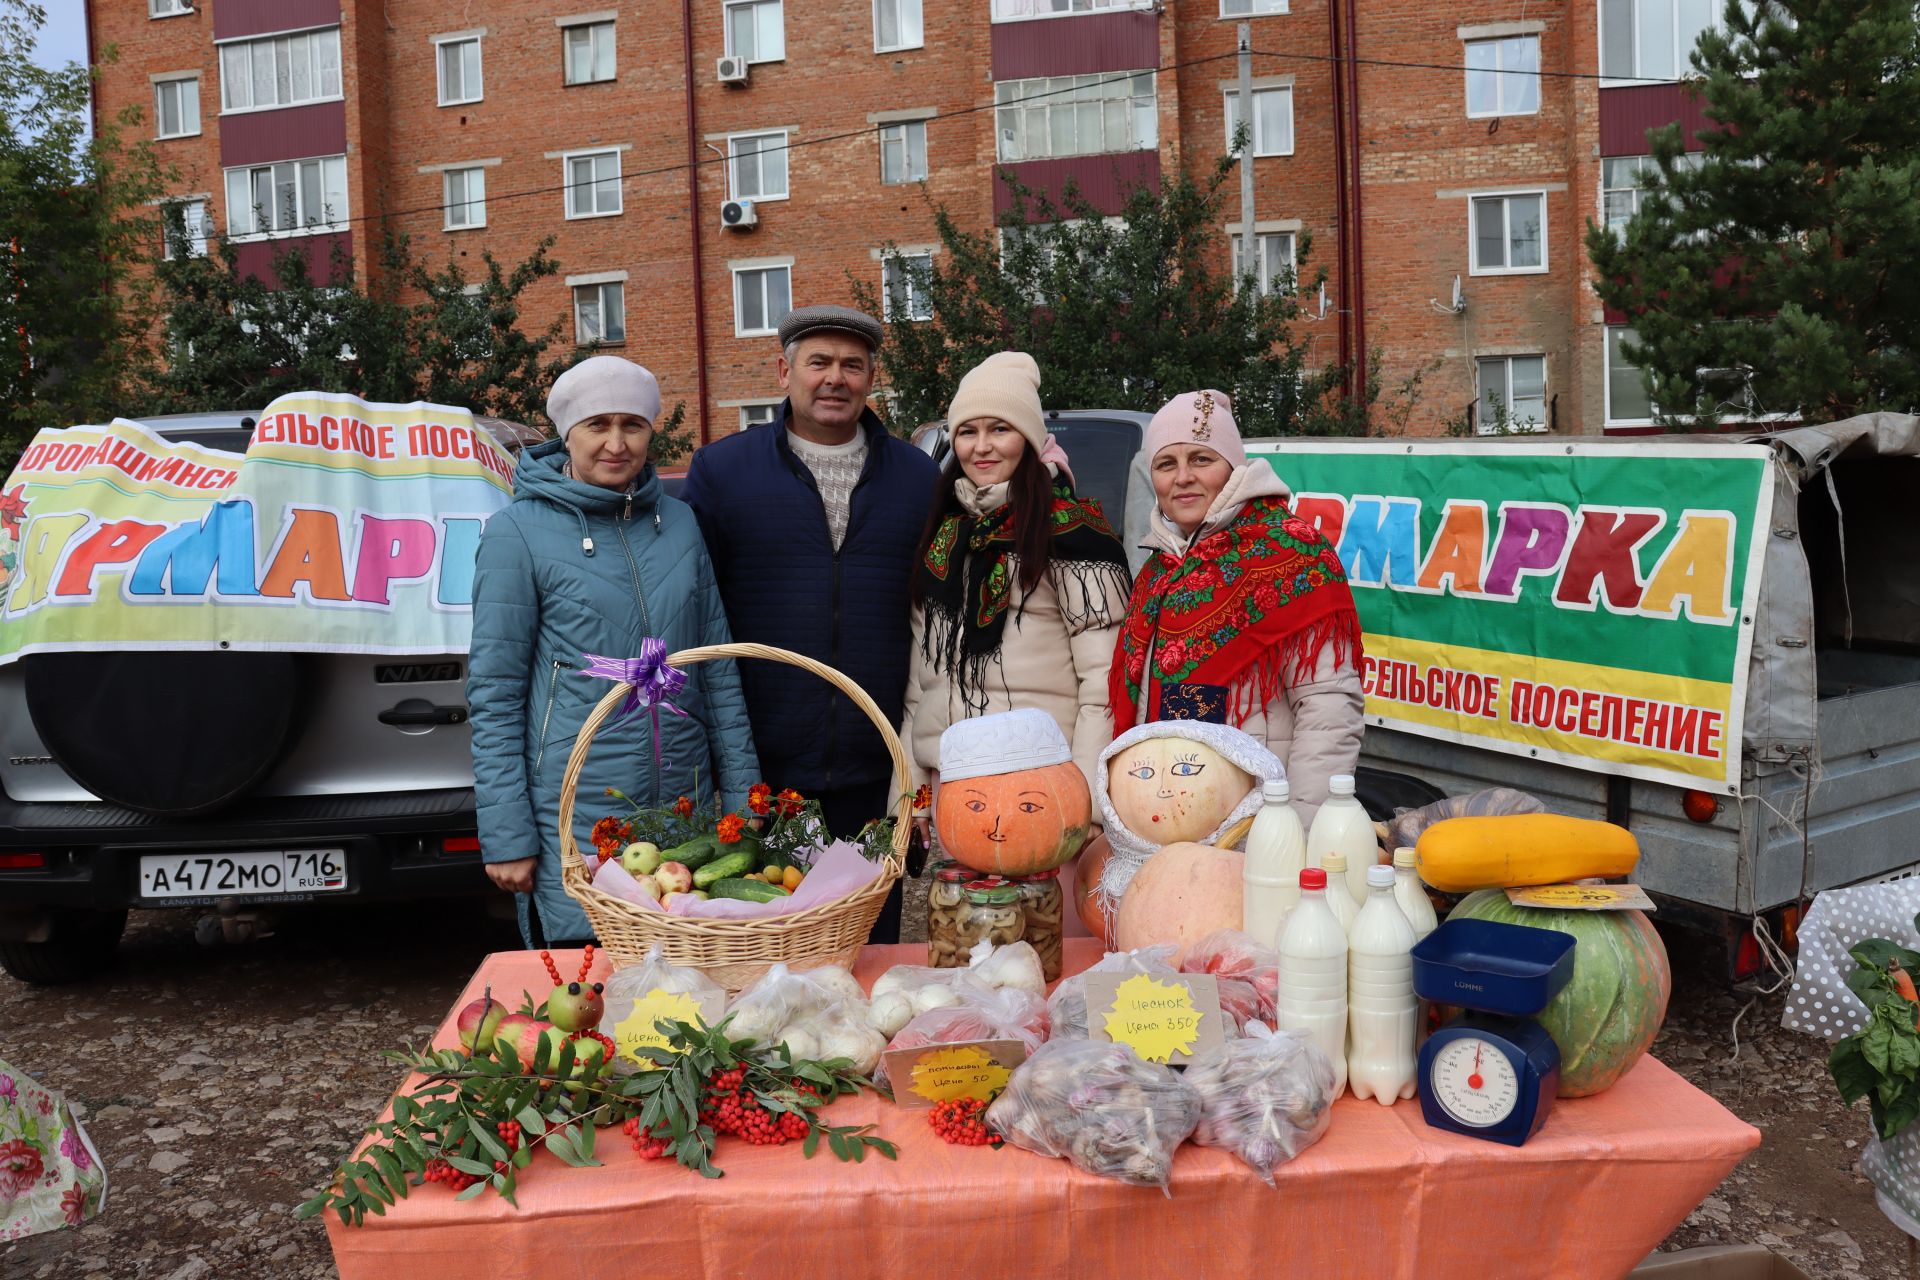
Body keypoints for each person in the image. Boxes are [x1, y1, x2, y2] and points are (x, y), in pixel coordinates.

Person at [468, 355, 759, 947]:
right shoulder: (516, 533)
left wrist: (742, 793)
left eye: (633, 425)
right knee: (591, 998)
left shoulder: (679, 523)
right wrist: (507, 835)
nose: (617, 443)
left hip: (687, 809)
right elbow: (494, 696)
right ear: (567, 434)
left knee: (688, 997)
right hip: (574, 814)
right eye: (598, 426)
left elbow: (718, 669)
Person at [681, 305, 939, 941]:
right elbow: (692, 603)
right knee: (764, 945)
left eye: (852, 365)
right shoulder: (723, 471)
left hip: (876, 765)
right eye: (818, 362)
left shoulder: (917, 476)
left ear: (871, 378)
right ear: (784, 371)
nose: (835, 378)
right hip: (763, 768)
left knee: (866, 947)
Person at [1110, 389, 1365, 828]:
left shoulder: (1290, 552)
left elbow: (1328, 711)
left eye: (1201, 459)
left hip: (1257, 819)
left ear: (1232, 468)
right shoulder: (1159, 570)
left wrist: (1300, 828)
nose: (1183, 477)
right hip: (1167, 813)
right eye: (1166, 464)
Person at [901, 351, 1132, 832]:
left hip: (1041, 783)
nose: (981, 447)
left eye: (999, 429)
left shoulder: (1071, 532)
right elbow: (921, 688)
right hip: (958, 783)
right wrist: (913, 799)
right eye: (967, 431)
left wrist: (1085, 807)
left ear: (1027, 440)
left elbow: (1102, 684)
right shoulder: (944, 535)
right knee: (967, 911)